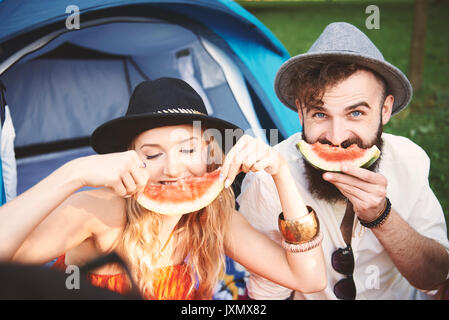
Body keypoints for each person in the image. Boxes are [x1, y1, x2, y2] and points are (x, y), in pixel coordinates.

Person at [0, 77, 327, 300]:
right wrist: (73, 173)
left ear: (211, 154)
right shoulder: (101, 212)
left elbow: (309, 279)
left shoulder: (214, 216)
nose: (172, 169)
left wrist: (281, 172)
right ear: (129, 158)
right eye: (153, 154)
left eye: (188, 150)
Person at [237, 22, 449, 300]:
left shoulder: (409, 160)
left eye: (356, 113)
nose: (336, 138)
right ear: (300, 112)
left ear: (384, 110)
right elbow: (266, 294)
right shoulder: (267, 179)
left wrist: (382, 216)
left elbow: (437, 278)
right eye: (320, 115)